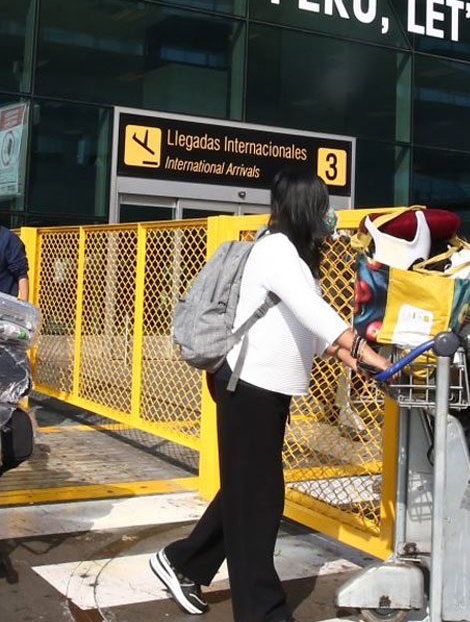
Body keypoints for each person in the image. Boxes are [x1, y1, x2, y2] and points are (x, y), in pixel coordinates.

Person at [151, 168, 391, 620]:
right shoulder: (277, 250)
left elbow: (306, 327)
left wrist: (350, 357)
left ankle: (182, 562)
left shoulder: (294, 257)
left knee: (248, 492)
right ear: (305, 208)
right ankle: (262, 611)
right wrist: (369, 354)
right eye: (322, 205)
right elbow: (315, 312)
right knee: (259, 501)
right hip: (248, 388)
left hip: (266, 391)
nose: (328, 215)